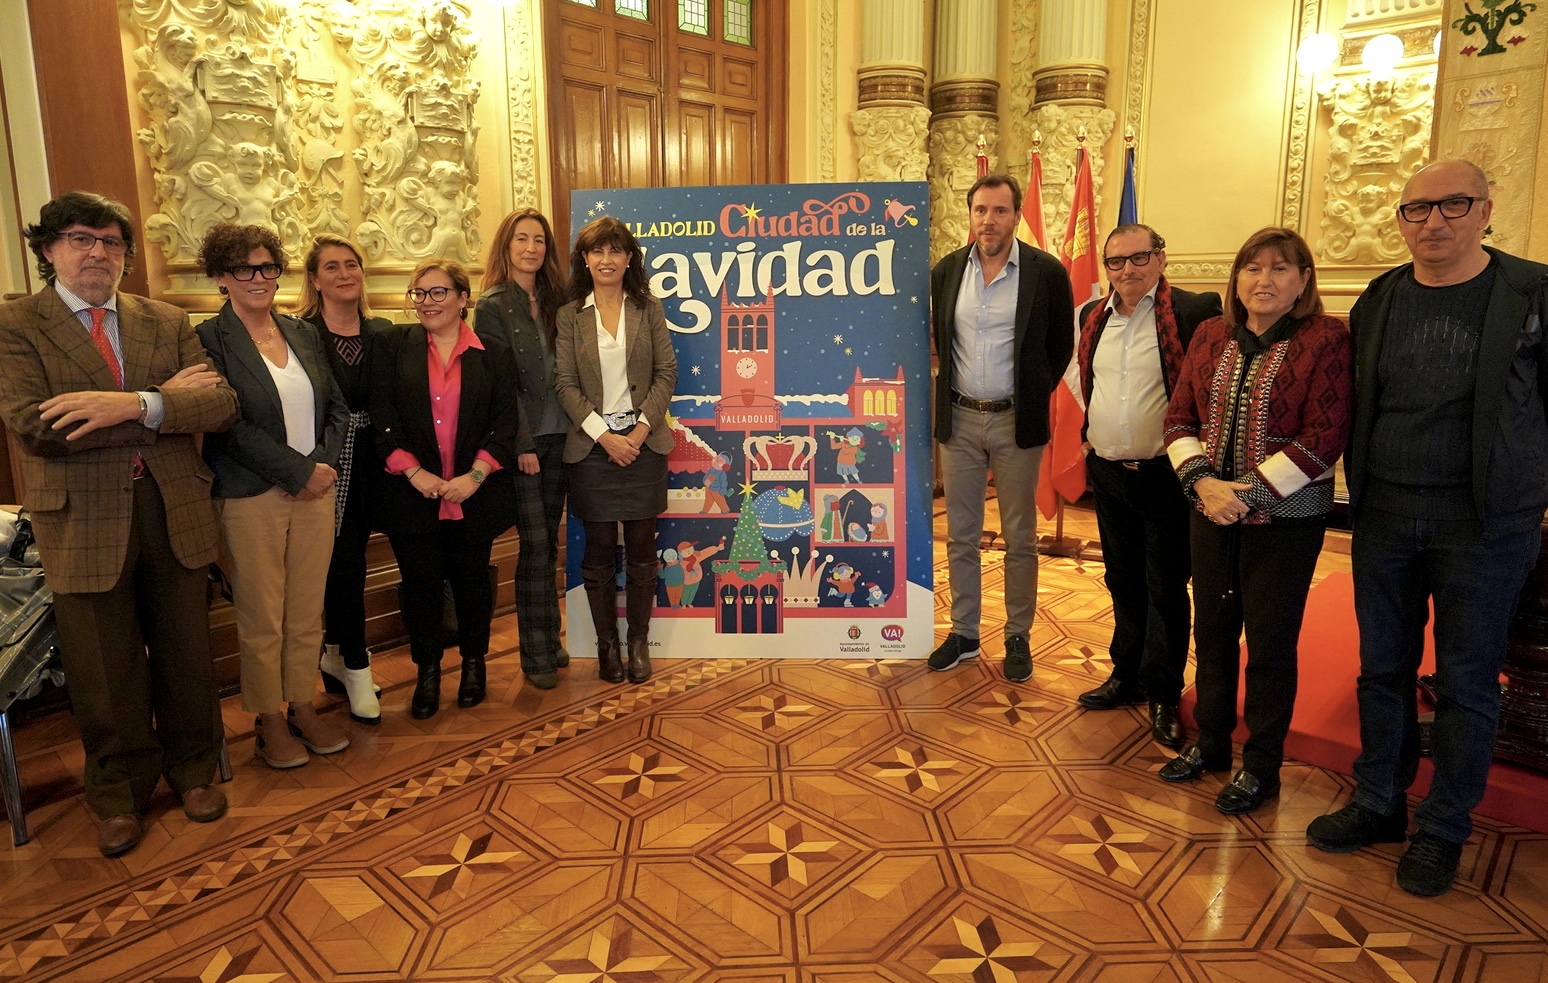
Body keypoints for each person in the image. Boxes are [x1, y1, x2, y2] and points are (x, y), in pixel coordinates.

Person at [1307, 159, 1548, 896]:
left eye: (1453, 204)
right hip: (1384, 516)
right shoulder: (1381, 297)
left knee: (1468, 681)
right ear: (1402, 221)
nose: (1434, 221)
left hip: (1486, 524)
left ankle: (1444, 827)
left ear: (1486, 211)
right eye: (1418, 209)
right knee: (1382, 667)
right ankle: (1379, 798)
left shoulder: (1531, 291)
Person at [0, 192, 238, 856]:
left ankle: (194, 770)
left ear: (126, 255)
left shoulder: (165, 319)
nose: (97, 253)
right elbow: (36, 426)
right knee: (103, 668)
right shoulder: (16, 324)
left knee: (187, 653)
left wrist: (126, 404)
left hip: (174, 508)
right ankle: (119, 793)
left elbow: (220, 405)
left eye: (111, 242)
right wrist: (162, 406)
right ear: (49, 249)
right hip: (79, 520)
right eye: (81, 239)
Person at [1159, 226, 1352, 816]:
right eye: (1252, 267)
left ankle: (1262, 766)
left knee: (1269, 644)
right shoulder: (1210, 334)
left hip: (1286, 523)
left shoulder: (1326, 338)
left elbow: (1325, 437)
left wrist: (1246, 494)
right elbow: (1178, 418)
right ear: (1236, 278)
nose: (1264, 280)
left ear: (1303, 280)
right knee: (1213, 633)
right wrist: (1203, 484)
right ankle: (1211, 743)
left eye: (1280, 268)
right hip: (1209, 511)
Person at [196, 224, 351, 769]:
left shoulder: (301, 332)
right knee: (263, 616)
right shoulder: (208, 339)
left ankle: (302, 705)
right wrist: (296, 471)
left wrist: (320, 468)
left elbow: (337, 407)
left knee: (306, 610)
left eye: (267, 267)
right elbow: (227, 422)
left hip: (315, 491)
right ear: (222, 277)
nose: (258, 278)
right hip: (250, 495)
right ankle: (268, 719)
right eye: (244, 268)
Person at [1070, 225, 1222, 750]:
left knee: (1164, 586)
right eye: (1115, 262)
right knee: (1122, 580)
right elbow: (1090, 383)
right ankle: (1127, 673)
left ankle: (1163, 691)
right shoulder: (1092, 317)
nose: (1127, 270)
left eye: (1138, 258)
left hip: (1166, 475)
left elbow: (1207, 388)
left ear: (1160, 258)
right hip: (1109, 474)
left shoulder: (1193, 310)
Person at [928, 173, 1075, 682]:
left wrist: (1030, 393)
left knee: (1020, 536)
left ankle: (1017, 635)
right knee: (961, 535)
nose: (988, 220)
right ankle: (964, 632)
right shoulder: (947, 271)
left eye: (999, 211)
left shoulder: (1046, 272)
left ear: (1015, 216)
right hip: (960, 421)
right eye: (980, 210)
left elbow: (1060, 346)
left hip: (1016, 421)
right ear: (969, 215)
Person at [371, 260, 518, 717]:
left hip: (474, 496)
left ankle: (474, 665)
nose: (427, 302)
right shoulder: (392, 346)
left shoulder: (493, 353)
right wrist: (414, 472)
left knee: (473, 585)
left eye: (438, 292)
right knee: (421, 588)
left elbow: (504, 423)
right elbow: (381, 416)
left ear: (463, 298)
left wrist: (474, 477)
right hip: (412, 496)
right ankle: (428, 673)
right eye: (419, 293)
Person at [554, 216, 677, 685]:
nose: (606, 259)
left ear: (629, 259)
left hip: (644, 445)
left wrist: (639, 433)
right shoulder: (570, 315)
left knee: (643, 546)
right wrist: (604, 436)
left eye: (615, 250)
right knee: (600, 546)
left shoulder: (648, 309)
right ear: (584, 260)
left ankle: (638, 642)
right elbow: (564, 383)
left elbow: (666, 373)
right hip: (593, 449)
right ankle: (607, 645)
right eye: (597, 251)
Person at [294, 234, 394, 723]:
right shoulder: (300, 334)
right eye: (331, 267)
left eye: (351, 264)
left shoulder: (383, 332)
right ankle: (355, 666)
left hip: (383, 462)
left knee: (353, 564)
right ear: (315, 279)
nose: (344, 274)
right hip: (330, 463)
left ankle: (335, 653)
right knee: (344, 567)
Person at [474, 209, 572, 690]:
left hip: (566, 437)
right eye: (521, 239)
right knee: (533, 546)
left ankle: (550, 639)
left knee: (549, 544)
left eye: (539, 240)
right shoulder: (492, 305)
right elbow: (500, 382)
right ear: (506, 246)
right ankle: (535, 655)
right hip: (526, 445)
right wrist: (522, 443)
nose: (531, 248)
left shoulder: (560, 301)